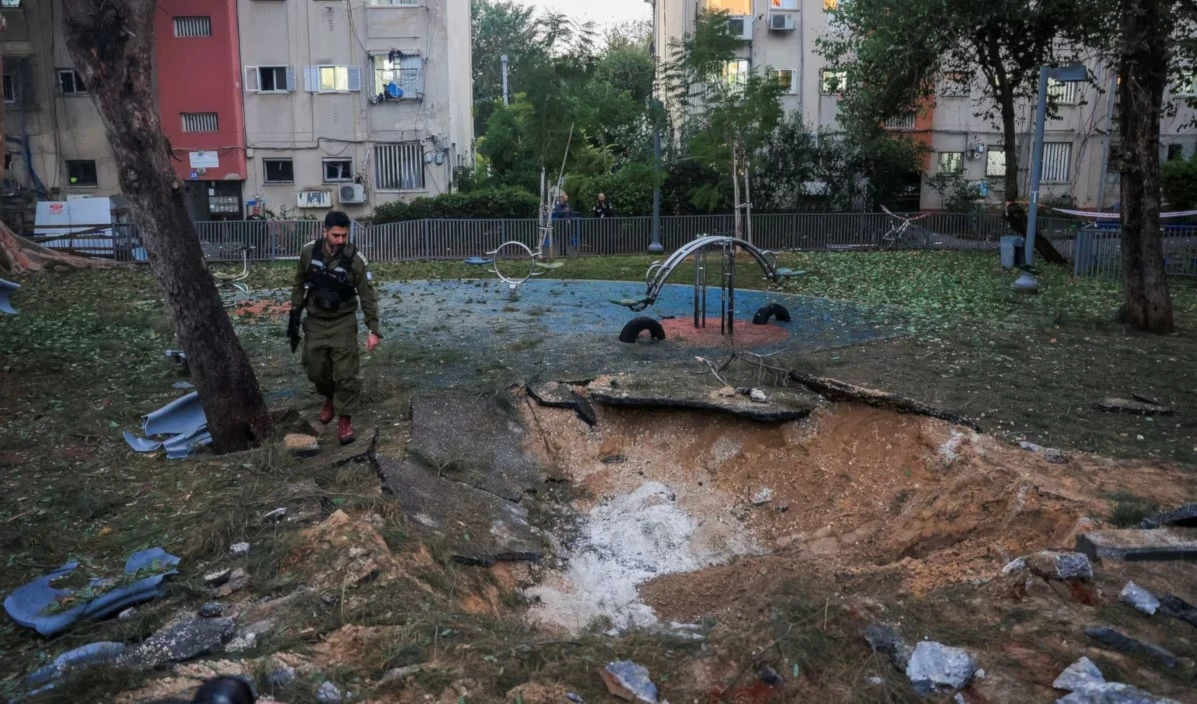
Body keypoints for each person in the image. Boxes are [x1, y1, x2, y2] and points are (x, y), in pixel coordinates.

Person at [287, 211, 381, 445]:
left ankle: (345, 420)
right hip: (316, 320)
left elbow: (367, 296)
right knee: (315, 368)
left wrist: (373, 329)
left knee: (346, 373)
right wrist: (294, 316)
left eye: (344, 236)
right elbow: (299, 282)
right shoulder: (309, 252)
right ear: (325, 231)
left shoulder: (356, 259)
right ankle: (329, 396)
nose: (340, 241)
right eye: (336, 235)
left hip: (343, 321)